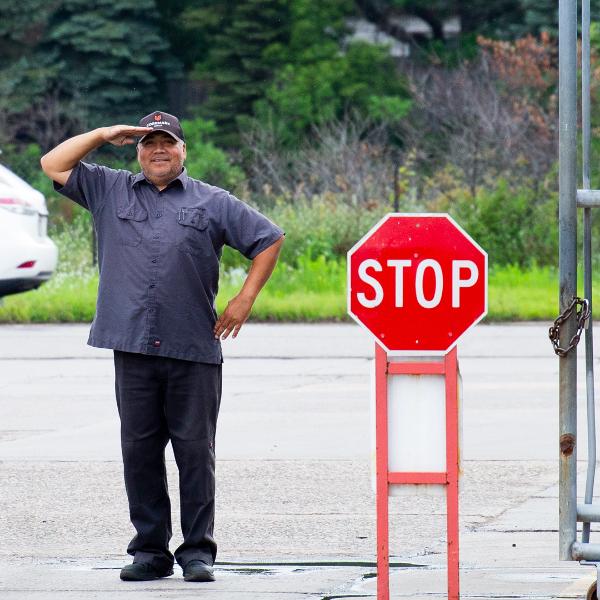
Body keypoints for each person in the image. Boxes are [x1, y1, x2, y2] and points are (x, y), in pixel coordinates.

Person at [40, 111, 284, 583]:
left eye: (167, 143)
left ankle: (198, 552)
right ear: (137, 150)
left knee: (195, 452)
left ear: (182, 150)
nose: (158, 150)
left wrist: (245, 299)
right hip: (131, 345)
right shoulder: (109, 189)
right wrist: (103, 134)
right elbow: (52, 163)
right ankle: (150, 551)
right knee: (140, 452)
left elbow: (268, 239)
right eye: (149, 143)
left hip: (192, 345)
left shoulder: (213, 201)